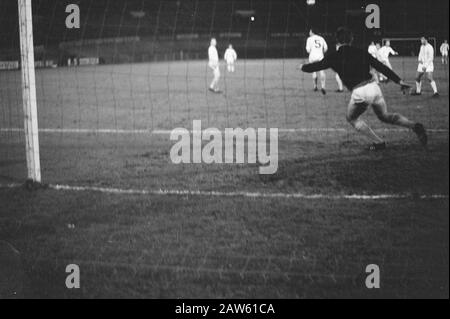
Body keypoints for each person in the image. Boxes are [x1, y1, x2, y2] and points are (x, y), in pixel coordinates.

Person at [300, 27, 428, 151]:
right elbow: (380, 66)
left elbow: (317, 66)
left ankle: (378, 142)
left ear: (337, 41)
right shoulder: (361, 52)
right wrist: (399, 81)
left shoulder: (334, 56)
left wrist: (303, 67)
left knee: (351, 118)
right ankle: (414, 126)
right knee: (384, 116)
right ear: (351, 39)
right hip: (374, 87)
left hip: (360, 92)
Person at [306, 28, 328, 94]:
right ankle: (323, 87)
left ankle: (315, 87)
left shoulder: (309, 39)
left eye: (310, 31)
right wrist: (322, 52)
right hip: (320, 56)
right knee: (321, 71)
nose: (309, 32)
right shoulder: (321, 38)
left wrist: (311, 52)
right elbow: (326, 48)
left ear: (312, 32)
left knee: (314, 71)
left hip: (312, 57)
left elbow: (308, 50)